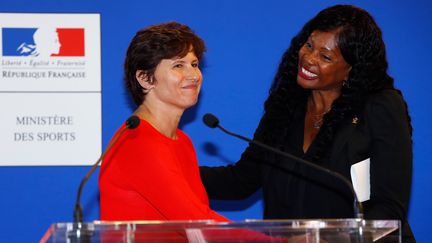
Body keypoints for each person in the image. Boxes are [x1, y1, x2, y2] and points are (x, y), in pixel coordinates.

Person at [200, 4, 415, 242]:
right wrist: (169, 173)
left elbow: (388, 209)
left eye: (325, 56)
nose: (309, 59)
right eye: (309, 45)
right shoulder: (286, 106)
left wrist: (327, 240)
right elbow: (241, 180)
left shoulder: (379, 107)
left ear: (351, 70)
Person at [99, 22, 228, 222]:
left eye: (194, 64)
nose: (194, 75)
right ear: (145, 79)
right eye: (178, 65)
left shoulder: (183, 142)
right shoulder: (136, 141)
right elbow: (195, 220)